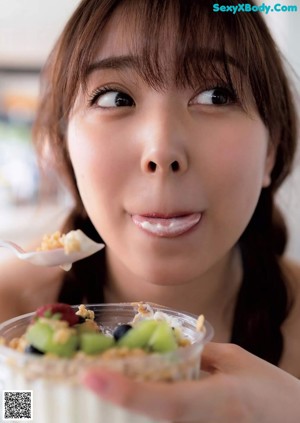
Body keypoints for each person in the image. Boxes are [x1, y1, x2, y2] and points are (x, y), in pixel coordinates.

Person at [1, 0, 300, 421]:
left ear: (271, 150)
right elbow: (17, 409)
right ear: (65, 150)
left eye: (216, 95)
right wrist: (20, 408)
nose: (161, 150)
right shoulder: (6, 311)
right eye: (115, 97)